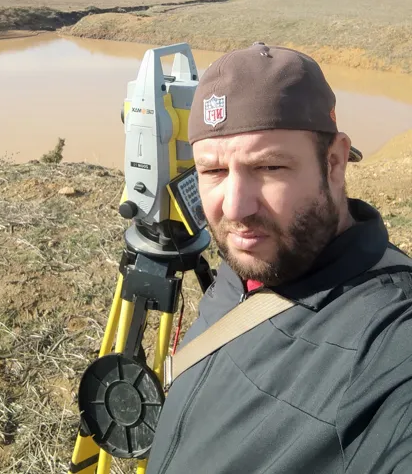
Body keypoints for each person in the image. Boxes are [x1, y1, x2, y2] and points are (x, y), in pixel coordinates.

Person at [146, 42, 412, 474]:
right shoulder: (252, 264)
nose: (234, 208)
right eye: (213, 172)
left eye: (269, 168)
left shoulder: (387, 341)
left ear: (335, 162)